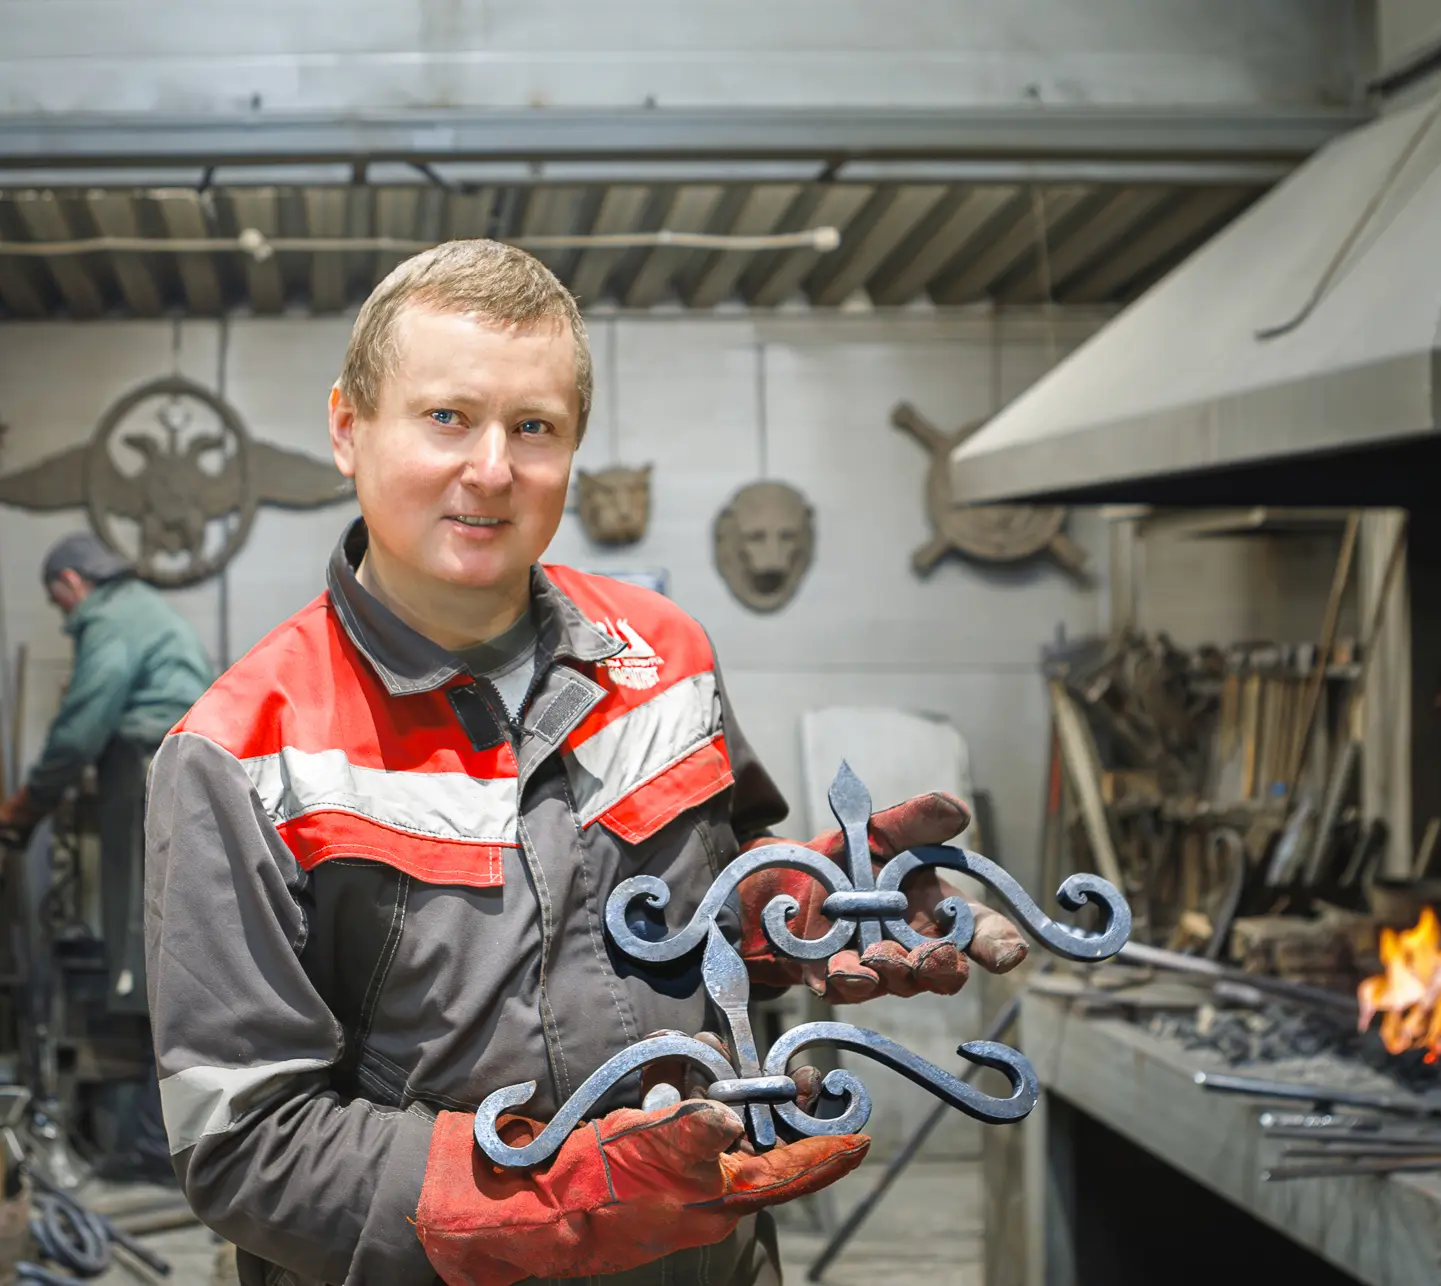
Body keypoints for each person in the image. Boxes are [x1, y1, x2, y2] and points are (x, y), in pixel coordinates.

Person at [143, 240, 1031, 1286]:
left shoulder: (664, 653)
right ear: (348, 427)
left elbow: (710, 903)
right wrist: (571, 1198)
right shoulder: (241, 749)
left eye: (535, 427)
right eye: (446, 416)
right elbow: (245, 1143)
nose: (491, 468)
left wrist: (810, 902)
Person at [0, 531, 214, 1176]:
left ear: (71, 583)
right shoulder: (142, 610)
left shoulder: (110, 618)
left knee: (143, 947)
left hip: (148, 767)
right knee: (154, 944)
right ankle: (157, 1139)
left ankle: (154, 1145)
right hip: (172, 766)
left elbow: (82, 725)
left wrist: (27, 803)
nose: (65, 615)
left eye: (59, 601)